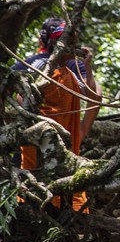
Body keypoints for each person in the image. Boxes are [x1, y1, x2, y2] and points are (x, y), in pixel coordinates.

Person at [15, 18, 103, 212]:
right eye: (65, 39)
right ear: (52, 42)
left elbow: (95, 95)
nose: (72, 44)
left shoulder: (73, 66)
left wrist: (82, 130)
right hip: (36, 145)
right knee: (37, 195)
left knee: (67, 194)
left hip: (66, 144)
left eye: (73, 39)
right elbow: (18, 96)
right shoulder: (34, 64)